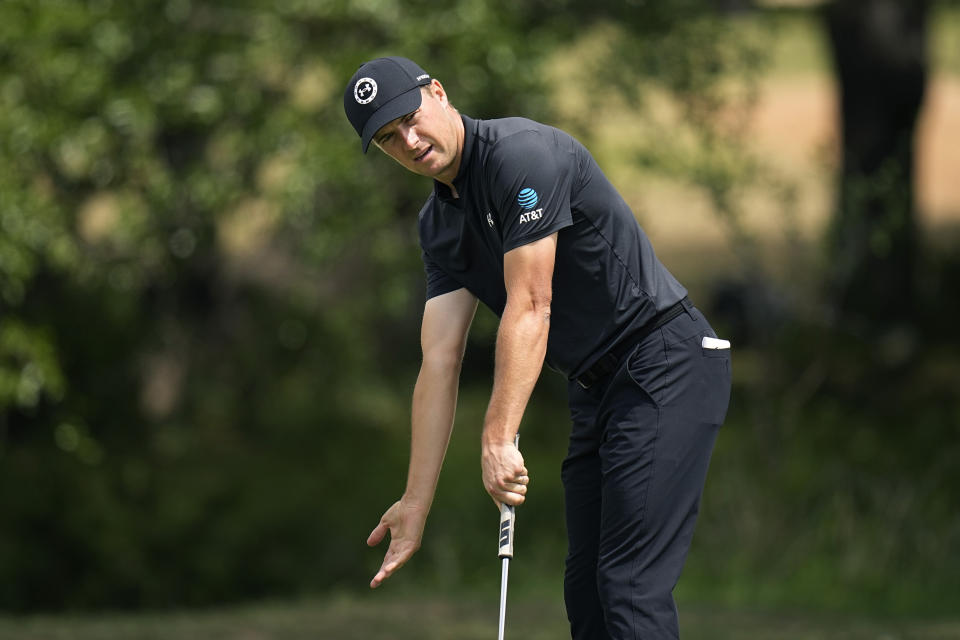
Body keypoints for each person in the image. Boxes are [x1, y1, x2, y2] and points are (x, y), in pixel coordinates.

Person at [343, 56, 732, 639]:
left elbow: (531, 304)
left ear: (438, 93)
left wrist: (498, 437)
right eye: (389, 138)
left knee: (629, 587)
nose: (410, 141)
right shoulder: (438, 226)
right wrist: (415, 502)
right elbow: (440, 361)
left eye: (410, 119)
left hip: (665, 362)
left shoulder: (521, 155)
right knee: (587, 594)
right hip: (597, 387)